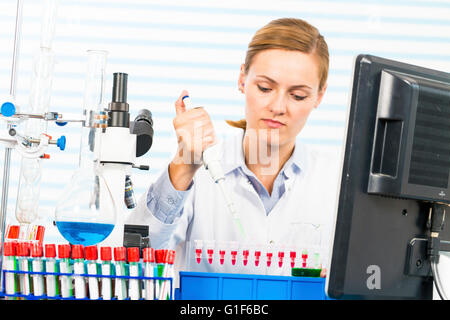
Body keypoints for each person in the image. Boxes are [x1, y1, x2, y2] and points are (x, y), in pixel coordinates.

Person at [127, 18, 339, 280]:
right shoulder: (200, 170)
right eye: (265, 87)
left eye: (298, 95)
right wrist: (184, 165)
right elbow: (132, 262)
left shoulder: (337, 181)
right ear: (242, 79)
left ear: (319, 95)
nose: (278, 106)